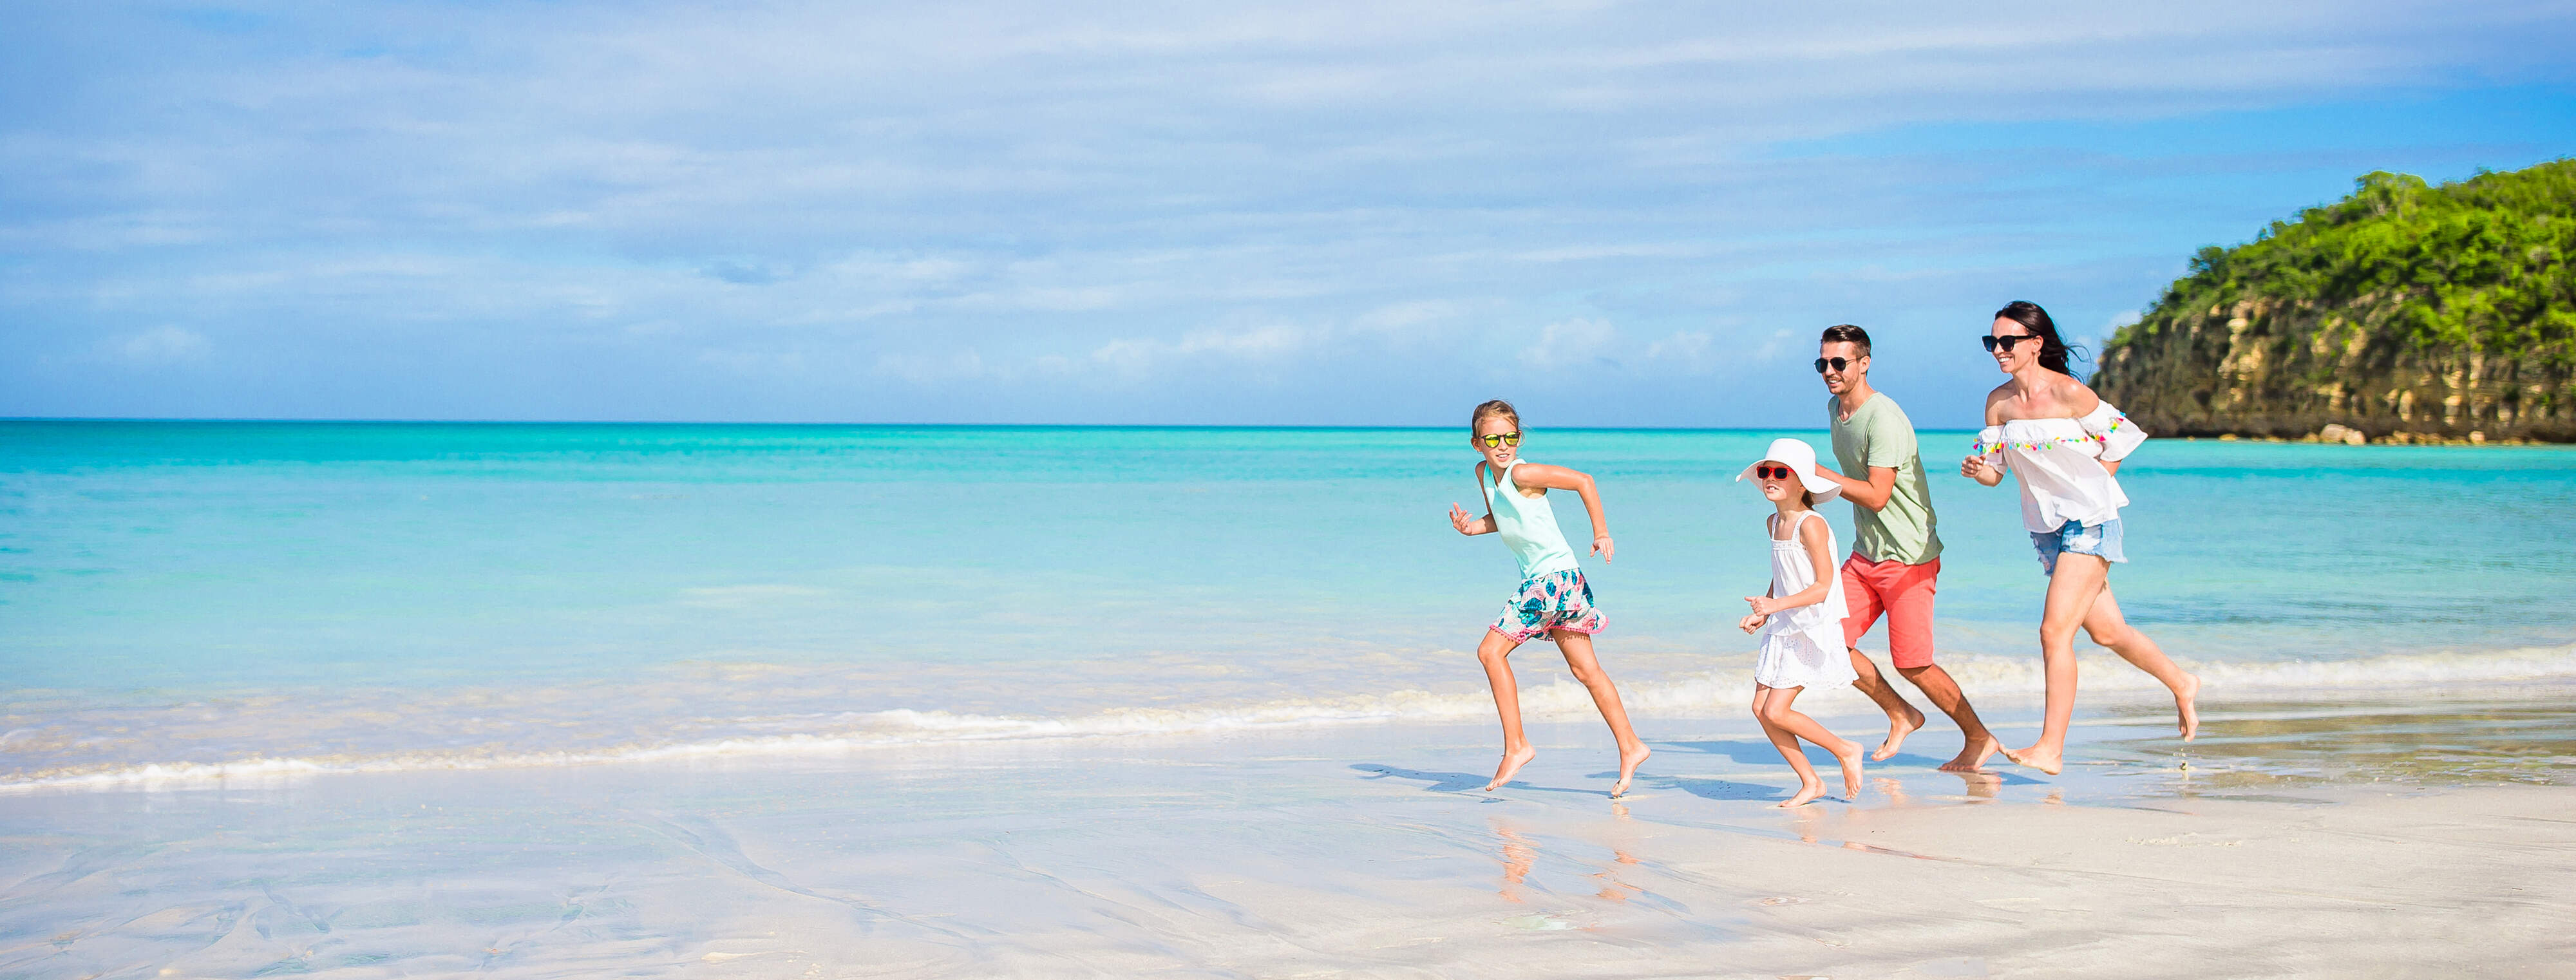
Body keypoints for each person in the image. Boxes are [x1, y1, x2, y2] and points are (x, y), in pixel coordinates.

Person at [1960, 301, 2201, 775]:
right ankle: (2182, 681)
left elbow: (2122, 439)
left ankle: (2051, 747)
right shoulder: (1999, 403)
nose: (1998, 351)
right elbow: (1994, 475)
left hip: (2090, 520)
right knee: (2108, 632)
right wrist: (1977, 471)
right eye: (1992, 342)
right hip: (2046, 528)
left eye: (2007, 342)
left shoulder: (2071, 393)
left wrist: (2096, 487)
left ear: (2035, 343)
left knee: (2054, 632)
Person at [1808, 325, 2002, 773]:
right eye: (1823, 363)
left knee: (1914, 663)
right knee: (1828, 639)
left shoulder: (1885, 418)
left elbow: (1877, 494)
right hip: (1866, 553)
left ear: (1864, 363)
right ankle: (1901, 713)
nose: (1830, 372)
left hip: (1910, 556)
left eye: (1840, 363)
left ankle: (1979, 737)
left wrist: (1817, 473)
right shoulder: (1835, 409)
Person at [1446, 399, 1652, 796]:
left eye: (1510, 437)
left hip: (1550, 581)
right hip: (1563, 582)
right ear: (1477, 444)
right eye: (1493, 438)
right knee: (1586, 672)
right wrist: (1470, 529)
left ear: (1519, 438)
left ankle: (1518, 746)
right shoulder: (1484, 474)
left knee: (1490, 653)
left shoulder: (1525, 472)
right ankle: (1631, 745)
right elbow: (1503, 518)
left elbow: (1584, 481)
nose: (1503, 445)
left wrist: (1601, 532)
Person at [1734, 437, 1866, 807]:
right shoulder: (1773, 521)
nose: (1769, 479)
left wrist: (1775, 608)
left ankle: (1846, 749)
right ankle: (1812, 782)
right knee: (1761, 710)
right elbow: (1783, 572)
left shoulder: (1812, 525)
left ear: (1803, 482)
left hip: (1808, 626)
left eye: (1780, 473)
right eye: (1765, 472)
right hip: (1782, 623)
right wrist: (1764, 610)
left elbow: (1823, 586)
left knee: (1777, 710)